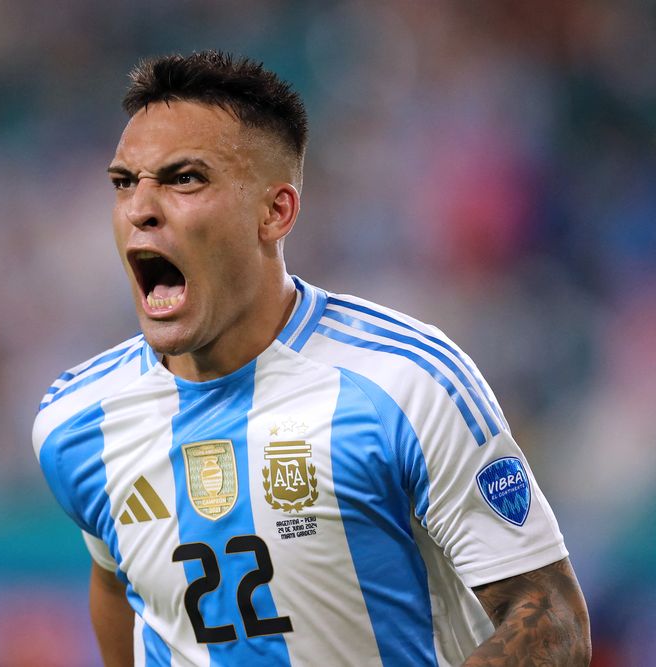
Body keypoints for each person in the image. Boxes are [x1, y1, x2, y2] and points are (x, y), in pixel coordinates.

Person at [32, 50, 590, 666]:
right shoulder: (77, 423)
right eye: (124, 183)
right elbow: (116, 584)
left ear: (276, 212)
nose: (140, 208)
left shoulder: (405, 384)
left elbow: (551, 620)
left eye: (184, 178)